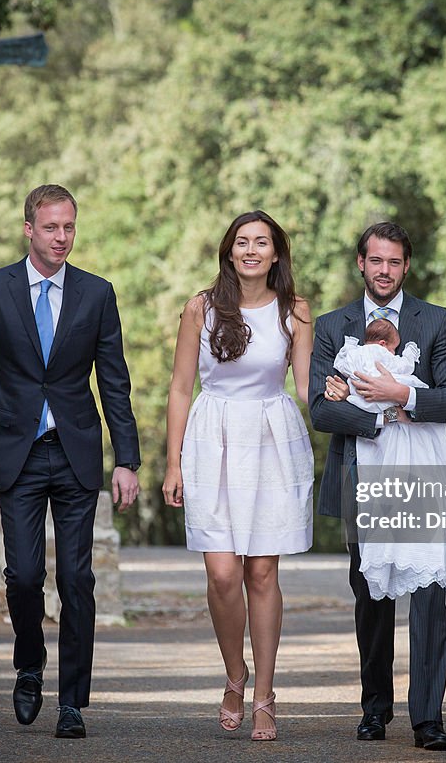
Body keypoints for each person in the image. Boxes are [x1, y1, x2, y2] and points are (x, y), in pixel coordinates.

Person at [0, 184, 141, 740]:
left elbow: (114, 382)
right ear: (29, 229)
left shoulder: (96, 294)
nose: (62, 237)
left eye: (70, 227)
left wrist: (127, 458)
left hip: (77, 452)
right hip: (16, 454)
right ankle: (29, 664)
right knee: (25, 576)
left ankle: (73, 703)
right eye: (51, 227)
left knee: (77, 578)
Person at [309, 222, 446, 752]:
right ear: (361, 263)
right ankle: (375, 709)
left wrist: (403, 394)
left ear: (406, 266)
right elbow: (320, 409)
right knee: (371, 598)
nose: (384, 271)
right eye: (376, 261)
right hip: (362, 477)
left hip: (422, 477)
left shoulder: (436, 321)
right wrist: (372, 419)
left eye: (394, 262)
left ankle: (428, 718)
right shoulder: (333, 326)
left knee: (428, 595)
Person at [162, 210, 314, 742]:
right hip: (212, 438)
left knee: (262, 574)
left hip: (272, 438)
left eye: (262, 242)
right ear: (229, 252)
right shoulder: (200, 309)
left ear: (276, 253)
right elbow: (181, 388)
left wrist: (348, 391)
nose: (251, 250)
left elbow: (305, 385)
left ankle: (266, 697)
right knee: (223, 574)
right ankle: (235, 674)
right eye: (242, 242)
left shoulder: (295, 310)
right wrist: (173, 461)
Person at [326, 321, 446, 602]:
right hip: (372, 457)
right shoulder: (333, 324)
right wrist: (409, 361)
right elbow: (321, 412)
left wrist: (352, 396)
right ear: (387, 345)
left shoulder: (353, 354)